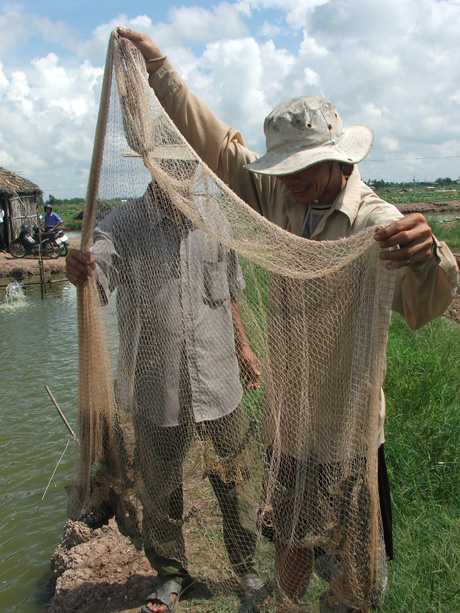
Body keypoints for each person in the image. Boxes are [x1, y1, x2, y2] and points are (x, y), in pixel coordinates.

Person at [116, 28, 459, 613]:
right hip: (290, 418)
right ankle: (280, 605)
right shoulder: (280, 198)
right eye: (284, 168)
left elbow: (423, 305)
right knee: (288, 532)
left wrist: (432, 256)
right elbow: (218, 149)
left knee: (356, 563)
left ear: (339, 160)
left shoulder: (373, 222)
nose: (292, 179)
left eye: (305, 168)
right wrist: (160, 70)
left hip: (345, 430)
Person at [66, 169, 265, 613]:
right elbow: (95, 281)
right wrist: (80, 269)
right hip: (156, 388)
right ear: (153, 169)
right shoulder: (121, 227)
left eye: (185, 168)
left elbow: (230, 291)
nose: (178, 177)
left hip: (219, 380)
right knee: (161, 489)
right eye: (168, 168)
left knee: (235, 481)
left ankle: (247, 569)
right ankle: (172, 575)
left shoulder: (214, 218)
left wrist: (244, 347)